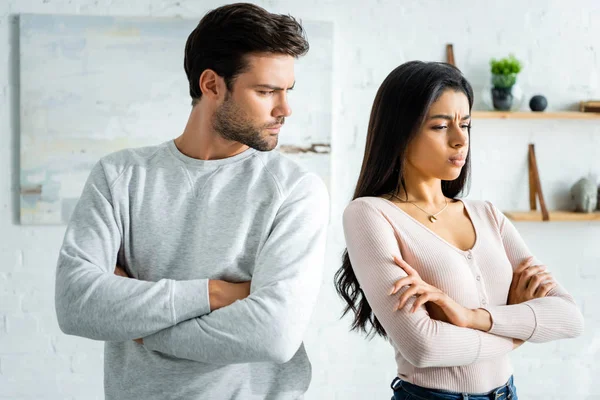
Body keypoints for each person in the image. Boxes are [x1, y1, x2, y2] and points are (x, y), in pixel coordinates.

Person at [55, 3, 329, 399]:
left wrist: (140, 327)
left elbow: (273, 335)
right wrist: (215, 293)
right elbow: (76, 304)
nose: (285, 109)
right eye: (266, 91)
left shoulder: (294, 190)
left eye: (287, 91)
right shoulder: (120, 176)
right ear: (212, 85)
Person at [334, 61, 583, 400]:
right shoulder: (371, 214)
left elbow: (569, 317)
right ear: (400, 131)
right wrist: (522, 331)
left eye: (465, 124)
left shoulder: (487, 215)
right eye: (440, 126)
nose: (459, 140)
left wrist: (470, 317)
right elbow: (425, 348)